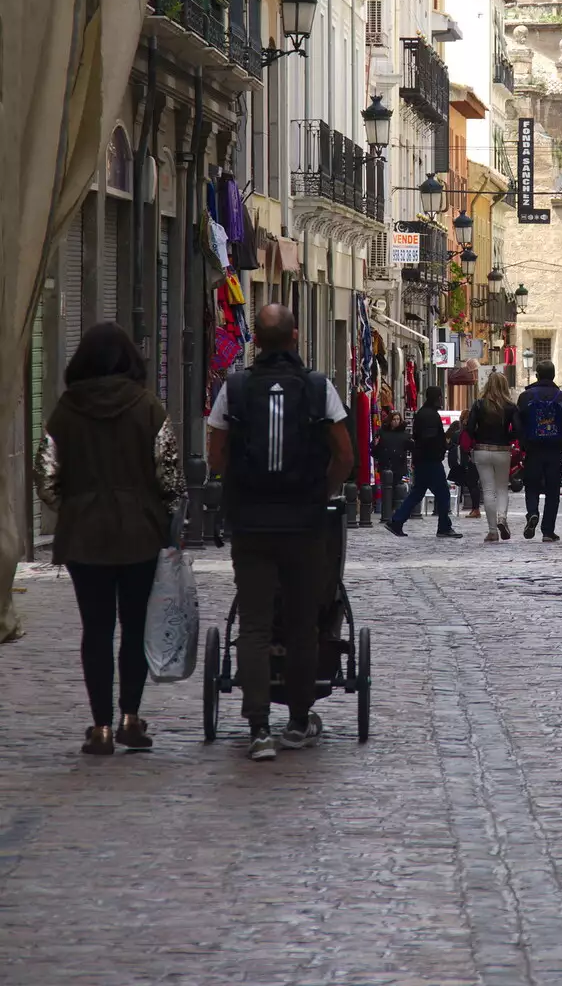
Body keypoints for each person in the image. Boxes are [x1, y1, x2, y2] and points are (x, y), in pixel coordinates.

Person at [207, 304, 353, 761]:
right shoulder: (317, 388)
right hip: (304, 525)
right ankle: (297, 721)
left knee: (252, 624)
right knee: (302, 623)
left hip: (251, 524)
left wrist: (242, 492)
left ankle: (257, 730)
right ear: (294, 339)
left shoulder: (232, 389)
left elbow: (215, 457)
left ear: (257, 342)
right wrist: (319, 492)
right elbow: (346, 455)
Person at [33, 322, 185, 756]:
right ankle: (130, 718)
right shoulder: (148, 408)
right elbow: (169, 475)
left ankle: (99, 726)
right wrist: (166, 516)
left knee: (95, 629)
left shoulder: (65, 411)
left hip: (84, 535)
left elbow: (45, 476)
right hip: (139, 533)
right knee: (134, 626)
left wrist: (73, 507)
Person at [388, 386, 461, 539]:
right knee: (443, 493)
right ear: (437, 398)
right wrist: (439, 449)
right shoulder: (430, 416)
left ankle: (397, 521)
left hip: (423, 459)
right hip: (430, 461)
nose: (442, 399)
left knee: (417, 492)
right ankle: (444, 527)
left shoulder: (424, 413)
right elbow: (429, 439)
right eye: (440, 396)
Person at [517, 361, 562, 543]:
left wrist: (522, 444)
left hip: (533, 449)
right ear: (553, 375)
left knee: (532, 486)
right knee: (553, 491)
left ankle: (533, 513)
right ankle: (548, 531)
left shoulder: (525, 397)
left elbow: (519, 424)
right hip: (555, 450)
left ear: (537, 375)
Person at [467, 372, 519, 543]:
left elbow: (469, 427)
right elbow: (518, 430)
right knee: (502, 488)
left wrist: (477, 436)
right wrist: (507, 437)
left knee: (488, 490)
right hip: (502, 450)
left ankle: (492, 532)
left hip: (481, 449)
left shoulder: (479, 404)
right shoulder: (510, 406)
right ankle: (502, 518)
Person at [447, 409, 482, 518]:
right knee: (472, 484)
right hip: (473, 460)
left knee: (472, 485)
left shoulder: (467, 431)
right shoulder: (473, 430)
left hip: (469, 461)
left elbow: (465, 446)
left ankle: (475, 509)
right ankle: (475, 509)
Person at [374, 410, 413, 496]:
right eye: (394, 419)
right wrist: (376, 445)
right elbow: (375, 452)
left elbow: (411, 448)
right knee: (386, 493)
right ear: (390, 420)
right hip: (385, 467)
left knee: (400, 492)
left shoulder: (404, 434)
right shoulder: (382, 433)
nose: (396, 421)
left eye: (398, 419)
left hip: (400, 468)